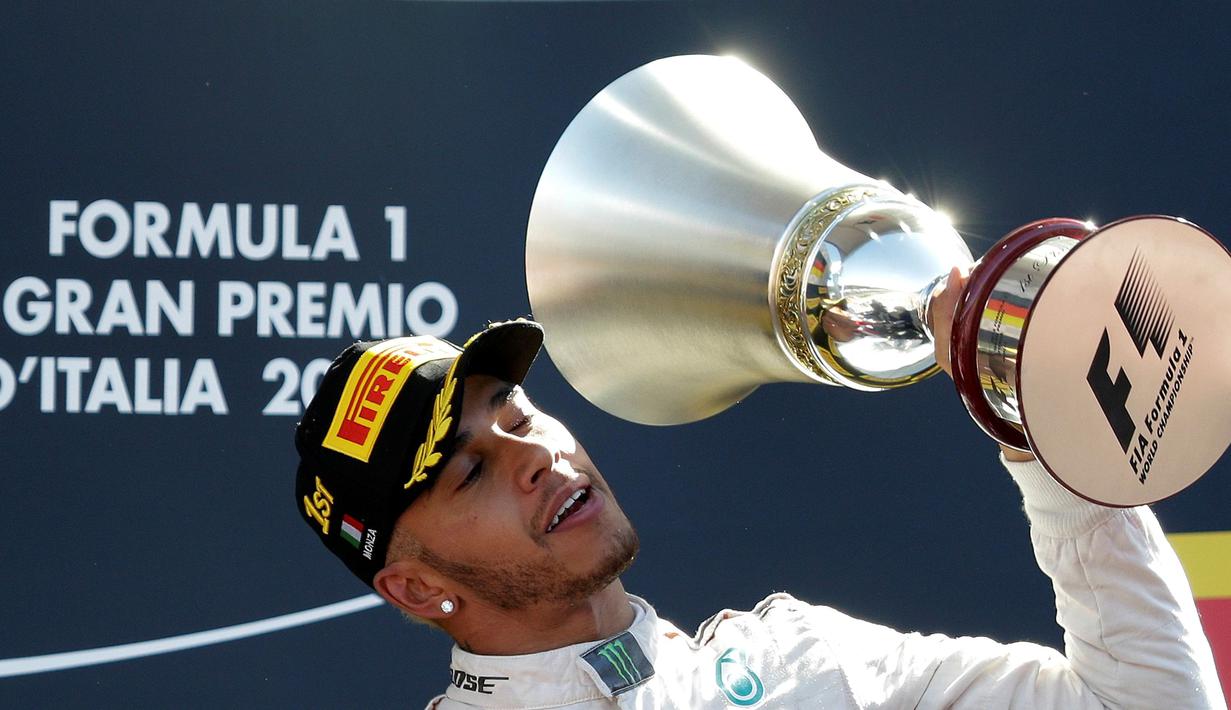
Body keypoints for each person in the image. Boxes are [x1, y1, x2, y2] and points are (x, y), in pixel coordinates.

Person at [294, 270, 1224, 709]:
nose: (532, 455)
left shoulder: (796, 653)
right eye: (470, 471)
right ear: (414, 588)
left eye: (517, 411)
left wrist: (1036, 429)